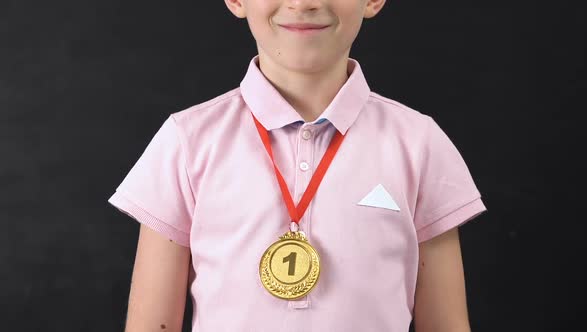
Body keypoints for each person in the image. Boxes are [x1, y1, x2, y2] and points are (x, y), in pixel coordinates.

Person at [107, 0, 487, 331]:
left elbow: (446, 325)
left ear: (372, 0)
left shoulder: (419, 143)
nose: (302, 2)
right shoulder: (187, 141)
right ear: (236, 0)